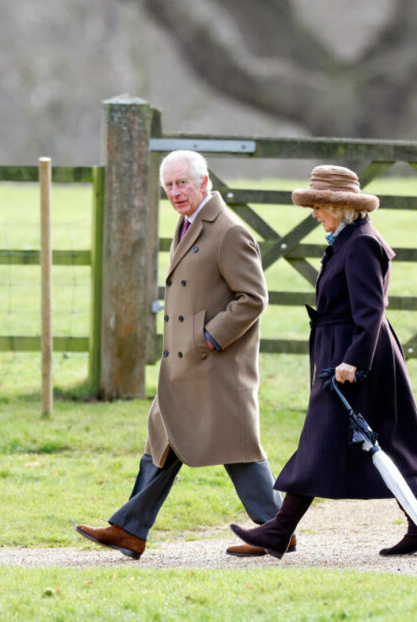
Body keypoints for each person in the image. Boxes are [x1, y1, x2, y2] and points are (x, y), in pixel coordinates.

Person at [76, 150, 293, 559]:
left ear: (204, 182)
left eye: (182, 184)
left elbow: (253, 298)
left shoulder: (228, 231)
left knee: (237, 447)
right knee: (162, 439)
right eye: (169, 185)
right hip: (184, 366)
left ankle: (275, 529)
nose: (174, 192)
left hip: (214, 366)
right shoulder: (188, 223)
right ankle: (130, 530)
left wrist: (209, 338)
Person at [229, 164, 417, 558]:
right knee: (339, 441)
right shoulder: (348, 239)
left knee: (338, 439)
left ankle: (279, 531)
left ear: (338, 207)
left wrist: (353, 362)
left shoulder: (360, 244)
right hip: (343, 351)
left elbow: (371, 310)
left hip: (354, 358)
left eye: (318, 206)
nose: (313, 214)